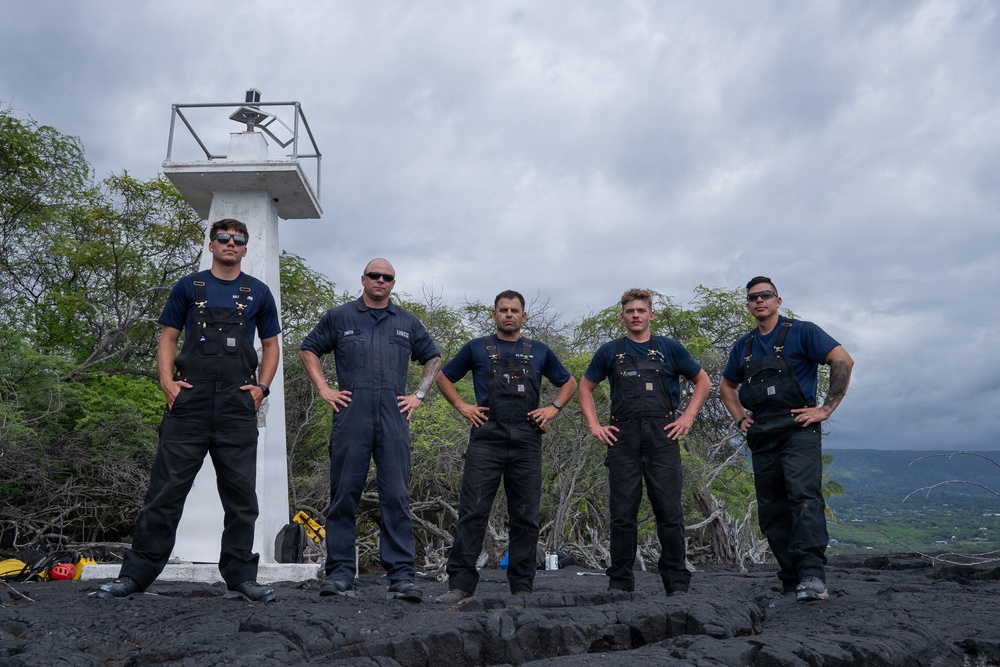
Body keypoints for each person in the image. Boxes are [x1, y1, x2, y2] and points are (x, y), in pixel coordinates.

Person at [96, 218, 281, 602]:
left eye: (239, 240)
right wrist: (167, 383)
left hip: (236, 405)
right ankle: (135, 576)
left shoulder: (258, 292)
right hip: (189, 404)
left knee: (242, 498)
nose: (231, 244)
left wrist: (260, 389)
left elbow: (271, 345)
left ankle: (242, 578)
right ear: (212, 244)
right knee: (164, 493)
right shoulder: (188, 286)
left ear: (246, 248)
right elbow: (168, 337)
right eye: (224, 238)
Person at [299, 259, 441, 602]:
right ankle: (341, 573)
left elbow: (433, 358)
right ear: (363, 279)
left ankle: (402, 577)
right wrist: (324, 389)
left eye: (387, 277)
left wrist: (419, 395)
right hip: (352, 413)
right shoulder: (340, 316)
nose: (380, 280)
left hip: (393, 415)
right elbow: (308, 349)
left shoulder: (407, 321)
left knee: (396, 496)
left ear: (393, 283)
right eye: (374, 275)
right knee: (344, 493)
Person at [434, 291, 578, 604]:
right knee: (473, 512)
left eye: (514, 310)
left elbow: (569, 383)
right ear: (494, 314)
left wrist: (553, 408)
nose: (509, 314)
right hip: (486, 440)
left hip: (527, 442)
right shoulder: (476, 348)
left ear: (524, 316)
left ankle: (522, 586)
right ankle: (460, 585)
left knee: (525, 517)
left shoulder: (538, 351)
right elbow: (443, 377)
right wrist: (463, 407)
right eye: (503, 310)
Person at [719, 276, 854, 602]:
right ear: (749, 305)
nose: (759, 301)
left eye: (765, 295)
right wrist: (740, 417)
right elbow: (726, 387)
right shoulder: (744, 346)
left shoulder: (802, 331)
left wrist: (825, 409)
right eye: (753, 297)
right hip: (762, 433)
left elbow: (843, 360)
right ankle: (792, 577)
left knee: (804, 497)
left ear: (778, 300)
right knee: (771, 510)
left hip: (798, 429)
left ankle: (812, 575)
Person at [578, 288, 710, 596]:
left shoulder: (669, 348)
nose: (635, 315)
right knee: (623, 514)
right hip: (623, 438)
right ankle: (620, 582)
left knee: (670, 512)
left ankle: (677, 582)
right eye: (630, 311)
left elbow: (702, 380)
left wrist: (687, 417)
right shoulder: (610, 351)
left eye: (641, 310)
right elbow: (585, 388)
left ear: (651, 315)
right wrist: (595, 425)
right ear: (622, 316)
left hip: (663, 436)